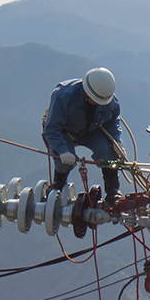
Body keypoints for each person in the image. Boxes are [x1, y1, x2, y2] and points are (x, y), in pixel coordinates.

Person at [42, 67, 124, 205]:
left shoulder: (109, 100)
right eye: (95, 100)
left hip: (90, 130)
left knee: (108, 152)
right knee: (64, 162)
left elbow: (112, 122)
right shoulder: (63, 95)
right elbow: (51, 129)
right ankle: (58, 185)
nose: (98, 103)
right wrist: (63, 150)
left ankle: (113, 192)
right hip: (63, 131)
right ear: (86, 92)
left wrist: (117, 143)